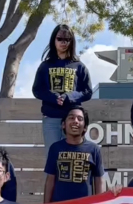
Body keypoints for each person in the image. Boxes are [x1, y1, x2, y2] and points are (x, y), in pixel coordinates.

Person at [32, 24, 93, 153]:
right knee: (52, 157)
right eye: (60, 39)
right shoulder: (45, 66)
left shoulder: (79, 66)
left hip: (72, 118)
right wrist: (53, 97)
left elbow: (87, 92)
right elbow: (37, 90)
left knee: (71, 155)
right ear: (54, 40)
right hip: (51, 118)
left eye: (67, 39)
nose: (63, 43)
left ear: (72, 42)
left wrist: (69, 97)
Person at [43, 107, 103, 203]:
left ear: (85, 127)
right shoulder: (55, 148)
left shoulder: (94, 149)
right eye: (71, 118)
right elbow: (50, 180)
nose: (75, 121)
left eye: (80, 119)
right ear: (63, 125)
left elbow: (99, 180)